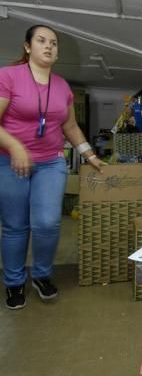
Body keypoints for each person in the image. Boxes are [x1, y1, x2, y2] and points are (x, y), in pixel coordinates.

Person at [0, 24, 106, 310]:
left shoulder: (62, 86)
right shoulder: (7, 77)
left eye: (54, 43)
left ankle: (42, 275)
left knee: (47, 222)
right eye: (41, 40)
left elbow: (70, 126)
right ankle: (13, 282)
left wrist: (89, 155)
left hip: (50, 162)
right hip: (9, 161)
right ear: (27, 46)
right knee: (15, 226)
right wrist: (15, 146)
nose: (48, 46)